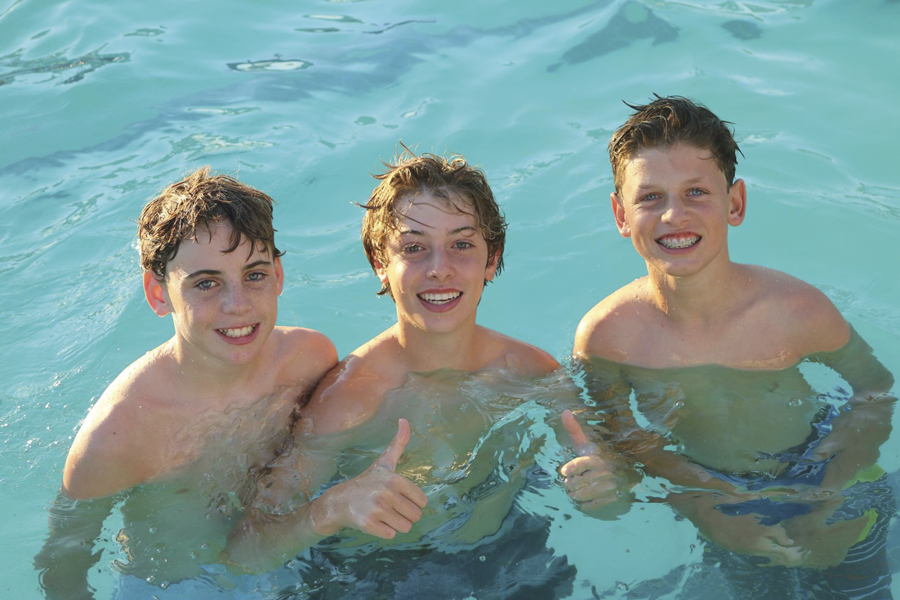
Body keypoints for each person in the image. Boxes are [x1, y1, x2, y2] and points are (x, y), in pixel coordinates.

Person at [571, 95, 896, 597]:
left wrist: (831, 489)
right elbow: (625, 441)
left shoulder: (796, 311)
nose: (674, 214)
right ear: (620, 214)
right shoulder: (606, 338)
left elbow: (874, 391)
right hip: (714, 492)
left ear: (735, 203)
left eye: (696, 191)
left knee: (852, 578)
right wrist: (705, 506)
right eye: (650, 197)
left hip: (823, 466)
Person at [227, 149, 588, 598]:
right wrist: (332, 507)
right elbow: (246, 551)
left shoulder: (532, 373)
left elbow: (608, 481)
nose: (439, 268)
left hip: (511, 547)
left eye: (461, 244)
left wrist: (605, 485)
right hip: (382, 573)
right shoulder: (351, 400)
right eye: (414, 248)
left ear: (491, 258)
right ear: (380, 262)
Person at [35, 166, 338, 597]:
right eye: (207, 283)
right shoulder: (119, 434)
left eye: (254, 274)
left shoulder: (308, 360)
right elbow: (63, 562)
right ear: (158, 294)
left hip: (293, 558)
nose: (237, 305)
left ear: (279, 275)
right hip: (177, 587)